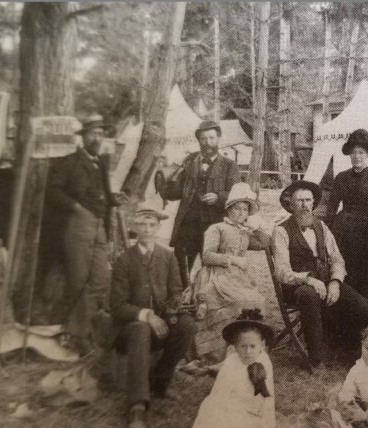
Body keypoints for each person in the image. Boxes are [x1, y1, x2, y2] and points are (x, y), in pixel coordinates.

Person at [45, 114, 128, 356]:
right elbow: (53, 190)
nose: (98, 137)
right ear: (83, 137)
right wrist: (75, 208)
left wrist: (114, 199)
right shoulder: (70, 161)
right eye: (93, 133)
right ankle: (80, 337)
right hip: (78, 224)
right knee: (79, 280)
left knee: (101, 280)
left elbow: (103, 192)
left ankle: (74, 331)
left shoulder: (101, 161)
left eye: (101, 133)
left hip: (99, 225)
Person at [109, 209, 196, 428]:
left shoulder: (167, 257)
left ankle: (161, 381)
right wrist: (146, 315)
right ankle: (137, 405)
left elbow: (176, 290)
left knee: (187, 325)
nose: (147, 230)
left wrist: (173, 307)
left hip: (161, 323)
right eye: (142, 225)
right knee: (140, 329)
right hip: (129, 329)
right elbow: (117, 306)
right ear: (135, 228)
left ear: (158, 228)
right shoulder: (124, 260)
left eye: (152, 225)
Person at [271, 180, 368, 368]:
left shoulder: (321, 226)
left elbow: (337, 258)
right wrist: (308, 279)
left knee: (362, 306)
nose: (304, 205)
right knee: (309, 295)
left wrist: (335, 281)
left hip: (326, 282)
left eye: (308, 200)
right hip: (297, 287)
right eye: (299, 201)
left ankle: (349, 349)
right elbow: (282, 272)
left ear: (313, 203)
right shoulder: (281, 231)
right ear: (291, 205)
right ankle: (316, 359)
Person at [190, 182, 271, 366]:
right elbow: (207, 256)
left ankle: (247, 348)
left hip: (237, 279)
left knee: (256, 301)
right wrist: (234, 260)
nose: (241, 213)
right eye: (237, 209)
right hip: (215, 276)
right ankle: (219, 355)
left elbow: (264, 243)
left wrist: (256, 226)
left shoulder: (244, 233)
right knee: (236, 303)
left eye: (245, 210)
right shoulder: (217, 228)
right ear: (228, 209)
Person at [163, 120, 240, 288]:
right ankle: (183, 296)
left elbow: (237, 195)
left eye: (212, 138)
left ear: (219, 138)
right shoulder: (190, 163)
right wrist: (167, 176)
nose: (208, 143)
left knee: (212, 266)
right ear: (199, 141)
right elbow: (175, 193)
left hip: (214, 224)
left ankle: (208, 300)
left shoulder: (229, 166)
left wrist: (219, 197)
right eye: (203, 139)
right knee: (180, 264)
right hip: (188, 223)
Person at [325, 129, 368, 301]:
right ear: (349, 155)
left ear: (367, 154)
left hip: (366, 231)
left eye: (361, 152)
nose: (357, 156)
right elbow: (331, 207)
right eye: (353, 152)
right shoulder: (341, 177)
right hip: (342, 229)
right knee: (340, 266)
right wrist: (326, 230)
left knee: (363, 271)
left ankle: (362, 307)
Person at [192, 309, 275, 428]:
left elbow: (266, 397)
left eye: (252, 346)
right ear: (235, 346)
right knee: (209, 409)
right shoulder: (232, 361)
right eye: (243, 346)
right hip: (230, 404)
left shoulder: (262, 362)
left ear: (262, 345)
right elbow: (220, 391)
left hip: (253, 409)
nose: (248, 351)